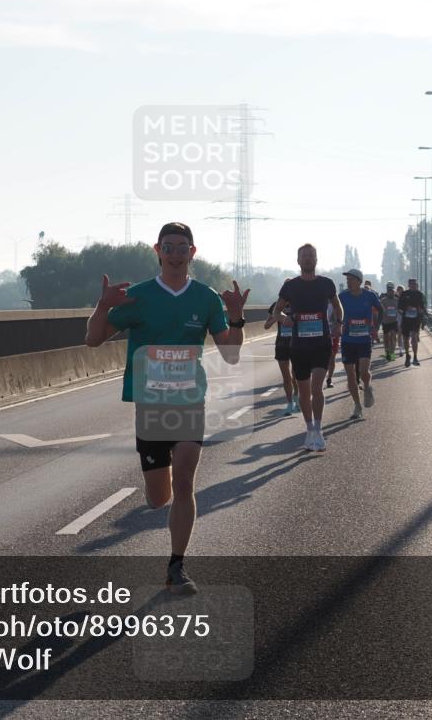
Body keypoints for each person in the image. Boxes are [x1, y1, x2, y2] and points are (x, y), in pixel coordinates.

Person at [85, 222, 249, 595]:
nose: (175, 253)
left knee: (186, 480)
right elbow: (93, 340)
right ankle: (156, 491)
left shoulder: (206, 298)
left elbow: (231, 353)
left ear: (193, 252)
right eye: (168, 247)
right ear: (157, 250)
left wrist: (236, 317)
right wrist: (103, 306)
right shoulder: (139, 296)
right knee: (160, 496)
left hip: (190, 401)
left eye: (182, 247)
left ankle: (177, 565)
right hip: (151, 405)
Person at [273, 243, 342, 451]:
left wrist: (339, 324)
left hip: (321, 343)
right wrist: (283, 318)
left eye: (311, 256)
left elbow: (338, 306)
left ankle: (319, 430)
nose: (308, 259)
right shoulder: (290, 286)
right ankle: (309, 429)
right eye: (304, 256)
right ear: (298, 260)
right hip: (299, 346)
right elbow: (277, 311)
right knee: (304, 393)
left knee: (316, 388)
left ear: (317, 259)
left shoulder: (326, 284)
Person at [339, 268, 379, 419]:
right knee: (351, 375)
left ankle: (367, 387)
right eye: (347, 280)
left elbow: (380, 310)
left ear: (359, 281)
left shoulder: (370, 296)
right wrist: (337, 324)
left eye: (351, 280)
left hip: (363, 340)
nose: (348, 282)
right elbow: (334, 310)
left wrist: (376, 328)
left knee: (363, 372)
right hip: (347, 341)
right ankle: (357, 406)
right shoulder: (342, 296)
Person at [265, 287, 298, 414]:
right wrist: (276, 316)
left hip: (297, 344)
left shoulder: (299, 304)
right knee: (286, 377)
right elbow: (266, 326)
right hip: (282, 344)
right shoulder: (276, 306)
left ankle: (297, 398)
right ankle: (289, 403)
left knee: (297, 376)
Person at [399, 278, 427, 367]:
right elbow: (399, 308)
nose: (413, 285)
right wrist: (406, 308)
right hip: (406, 320)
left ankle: (415, 357)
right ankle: (407, 355)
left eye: (414, 284)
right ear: (408, 285)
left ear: (416, 284)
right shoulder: (404, 294)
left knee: (414, 337)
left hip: (415, 319)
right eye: (411, 284)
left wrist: (420, 311)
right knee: (406, 339)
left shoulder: (420, 294)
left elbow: (423, 308)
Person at [379, 282, 401, 361]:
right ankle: (387, 353)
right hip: (386, 322)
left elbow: (399, 310)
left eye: (392, 290)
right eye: (389, 290)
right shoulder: (383, 300)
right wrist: (385, 310)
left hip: (394, 321)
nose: (390, 292)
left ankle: (392, 354)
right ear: (387, 291)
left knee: (393, 337)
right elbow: (382, 309)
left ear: (394, 291)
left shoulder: (397, 300)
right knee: (386, 339)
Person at [395, 285, 406, 357]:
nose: (400, 292)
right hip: (398, 317)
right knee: (399, 333)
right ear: (397, 291)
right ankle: (400, 349)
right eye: (399, 290)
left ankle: (405, 346)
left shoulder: (407, 298)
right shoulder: (395, 299)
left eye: (401, 290)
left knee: (405, 334)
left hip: (406, 318)